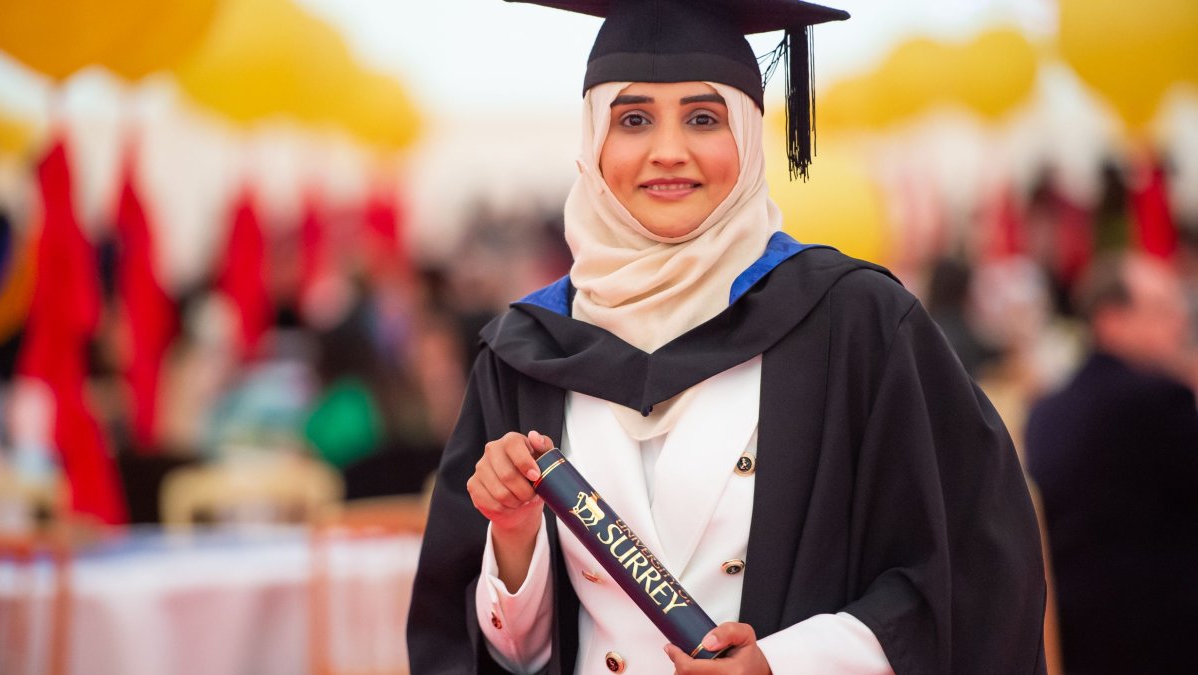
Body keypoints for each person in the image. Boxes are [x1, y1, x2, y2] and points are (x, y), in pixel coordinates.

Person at [409, 1, 1047, 673]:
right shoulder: (528, 351)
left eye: (703, 118)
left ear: (748, 135)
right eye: (632, 120)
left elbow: (969, 571)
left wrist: (786, 662)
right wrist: (514, 538)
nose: (668, 151)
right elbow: (490, 652)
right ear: (593, 143)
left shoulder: (854, 323)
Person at [1025, 252, 1198, 674]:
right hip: (1159, 638)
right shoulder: (1158, 401)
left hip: (1073, 634)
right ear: (1110, 320)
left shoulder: (1048, 406)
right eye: (1161, 309)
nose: (1179, 323)